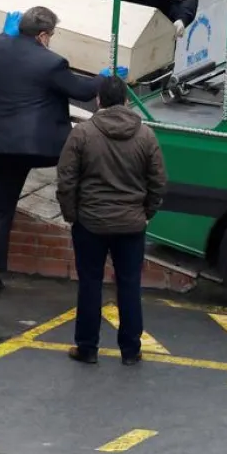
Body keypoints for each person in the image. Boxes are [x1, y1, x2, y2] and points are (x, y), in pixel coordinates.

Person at [0, 6, 100, 297]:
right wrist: (105, 79)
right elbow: (81, 90)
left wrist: (2, 35)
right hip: (39, 147)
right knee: (82, 168)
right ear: (43, 36)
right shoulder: (52, 63)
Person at [55, 74, 168, 365]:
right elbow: (158, 182)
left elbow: (66, 179)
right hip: (131, 224)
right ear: (128, 101)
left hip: (90, 223)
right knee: (129, 285)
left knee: (90, 283)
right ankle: (131, 350)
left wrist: (72, 214)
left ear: (98, 100)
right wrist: (146, 213)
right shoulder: (146, 136)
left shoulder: (82, 133)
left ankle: (87, 347)